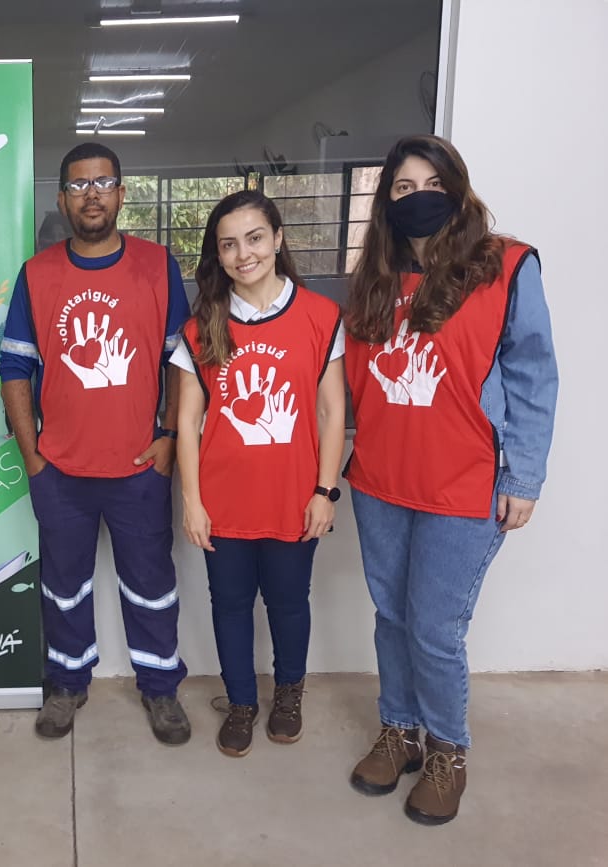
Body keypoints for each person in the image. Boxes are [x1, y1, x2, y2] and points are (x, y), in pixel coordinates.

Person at [342, 135, 558, 825]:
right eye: (402, 188)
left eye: (431, 184)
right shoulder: (374, 279)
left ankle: (446, 751)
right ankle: (399, 730)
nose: (418, 198)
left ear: (458, 189)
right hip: (381, 480)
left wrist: (524, 475)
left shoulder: (506, 266)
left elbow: (533, 375)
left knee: (435, 627)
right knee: (392, 615)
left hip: (464, 485)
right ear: (386, 202)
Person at [0, 142, 192, 745]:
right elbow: (14, 368)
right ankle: (67, 684)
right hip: (60, 471)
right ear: (62, 199)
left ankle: (160, 688)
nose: (92, 195)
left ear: (121, 194)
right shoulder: (38, 274)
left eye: (103, 183)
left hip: (139, 468)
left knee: (151, 584)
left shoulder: (157, 266)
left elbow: (181, 363)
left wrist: (168, 438)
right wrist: (32, 456)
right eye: (79, 185)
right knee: (63, 586)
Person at [172, 191, 345, 759]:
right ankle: (242, 702)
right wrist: (192, 501)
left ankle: (289, 695)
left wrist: (324, 491)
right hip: (223, 503)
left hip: (294, 499)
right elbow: (188, 421)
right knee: (229, 605)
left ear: (277, 239)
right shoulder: (201, 328)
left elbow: (331, 411)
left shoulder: (321, 317)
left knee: (290, 603)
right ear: (217, 256)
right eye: (228, 245)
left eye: (254, 238)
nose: (243, 254)